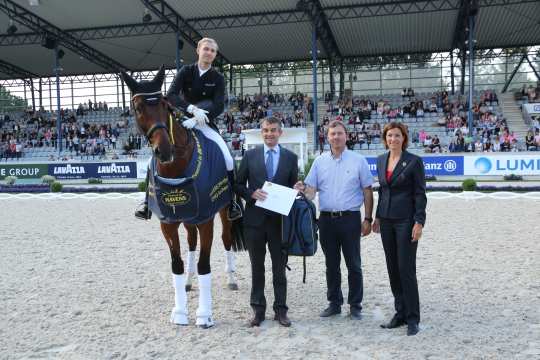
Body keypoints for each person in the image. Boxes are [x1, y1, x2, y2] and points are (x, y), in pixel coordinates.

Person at [135, 37, 241, 221]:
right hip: (181, 120)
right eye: (206, 49)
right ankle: (147, 202)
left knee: (227, 157)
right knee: (155, 157)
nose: (209, 53)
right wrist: (191, 110)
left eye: (213, 51)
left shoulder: (217, 78)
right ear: (198, 50)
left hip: (204, 123)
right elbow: (171, 95)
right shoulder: (186, 71)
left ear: (215, 55)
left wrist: (202, 116)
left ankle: (232, 202)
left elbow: (219, 105)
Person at [295, 120, 374, 321]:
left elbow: (367, 191)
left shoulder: (358, 161)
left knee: (354, 264)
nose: (336, 137)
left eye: (340, 133)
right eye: (333, 134)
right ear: (327, 137)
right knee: (331, 264)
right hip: (327, 221)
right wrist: (303, 189)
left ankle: (355, 305)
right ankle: (334, 303)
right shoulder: (319, 162)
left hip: (350, 219)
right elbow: (312, 192)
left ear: (346, 136)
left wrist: (367, 218)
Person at [235, 116, 298, 327]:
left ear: (280, 133)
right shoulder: (250, 156)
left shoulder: (290, 157)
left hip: (280, 223)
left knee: (279, 268)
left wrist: (297, 188)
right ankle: (258, 310)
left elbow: (292, 189)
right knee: (257, 267)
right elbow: (237, 184)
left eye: (273, 130)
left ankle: (281, 310)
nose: (269, 134)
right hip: (254, 221)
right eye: (265, 130)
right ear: (261, 133)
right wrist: (251, 193)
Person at [372, 121, 427, 336]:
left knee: (406, 269)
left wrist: (419, 222)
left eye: (397, 135)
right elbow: (382, 191)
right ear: (385, 139)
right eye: (389, 136)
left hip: (406, 221)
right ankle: (400, 313)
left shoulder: (414, 161)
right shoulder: (380, 160)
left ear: (404, 138)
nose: (393, 139)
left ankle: (413, 318)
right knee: (393, 269)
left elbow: (420, 194)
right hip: (386, 221)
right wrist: (377, 216)